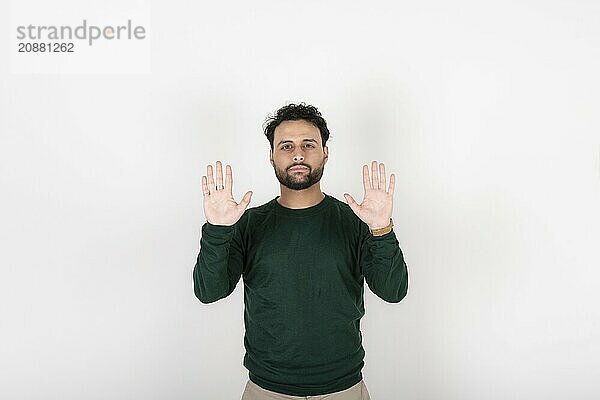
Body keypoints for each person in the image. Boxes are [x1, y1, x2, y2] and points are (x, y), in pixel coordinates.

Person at [193, 103, 409, 399]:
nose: (298, 154)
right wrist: (218, 229)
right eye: (286, 146)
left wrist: (381, 228)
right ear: (271, 156)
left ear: (325, 153)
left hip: (343, 388)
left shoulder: (357, 221)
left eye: (309, 144)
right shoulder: (248, 224)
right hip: (266, 389)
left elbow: (393, 291)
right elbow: (209, 291)